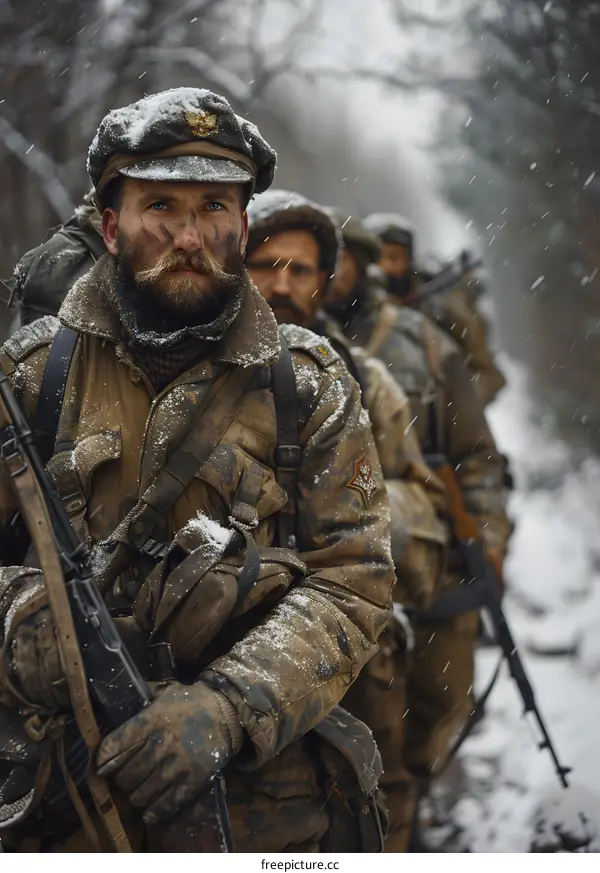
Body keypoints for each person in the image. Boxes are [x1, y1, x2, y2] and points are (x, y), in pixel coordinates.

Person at [0, 88, 396, 853]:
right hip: (56, 797)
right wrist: (38, 638)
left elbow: (355, 581)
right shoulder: (27, 379)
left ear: (243, 224)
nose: (189, 234)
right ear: (111, 227)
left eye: (213, 206)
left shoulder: (309, 385)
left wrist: (226, 707)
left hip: (256, 806)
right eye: (161, 207)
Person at [327, 213, 513, 851]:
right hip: (338, 575)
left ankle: (416, 809)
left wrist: (487, 540)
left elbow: (476, 455)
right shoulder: (275, 346)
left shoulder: (422, 343)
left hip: (424, 557)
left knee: (434, 708)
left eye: (337, 261)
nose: (324, 276)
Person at [362, 213, 506, 406]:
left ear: (408, 261)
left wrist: (452, 408)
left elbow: (487, 375)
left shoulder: (443, 309)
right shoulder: (350, 303)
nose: (386, 266)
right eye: (379, 258)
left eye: (395, 258)